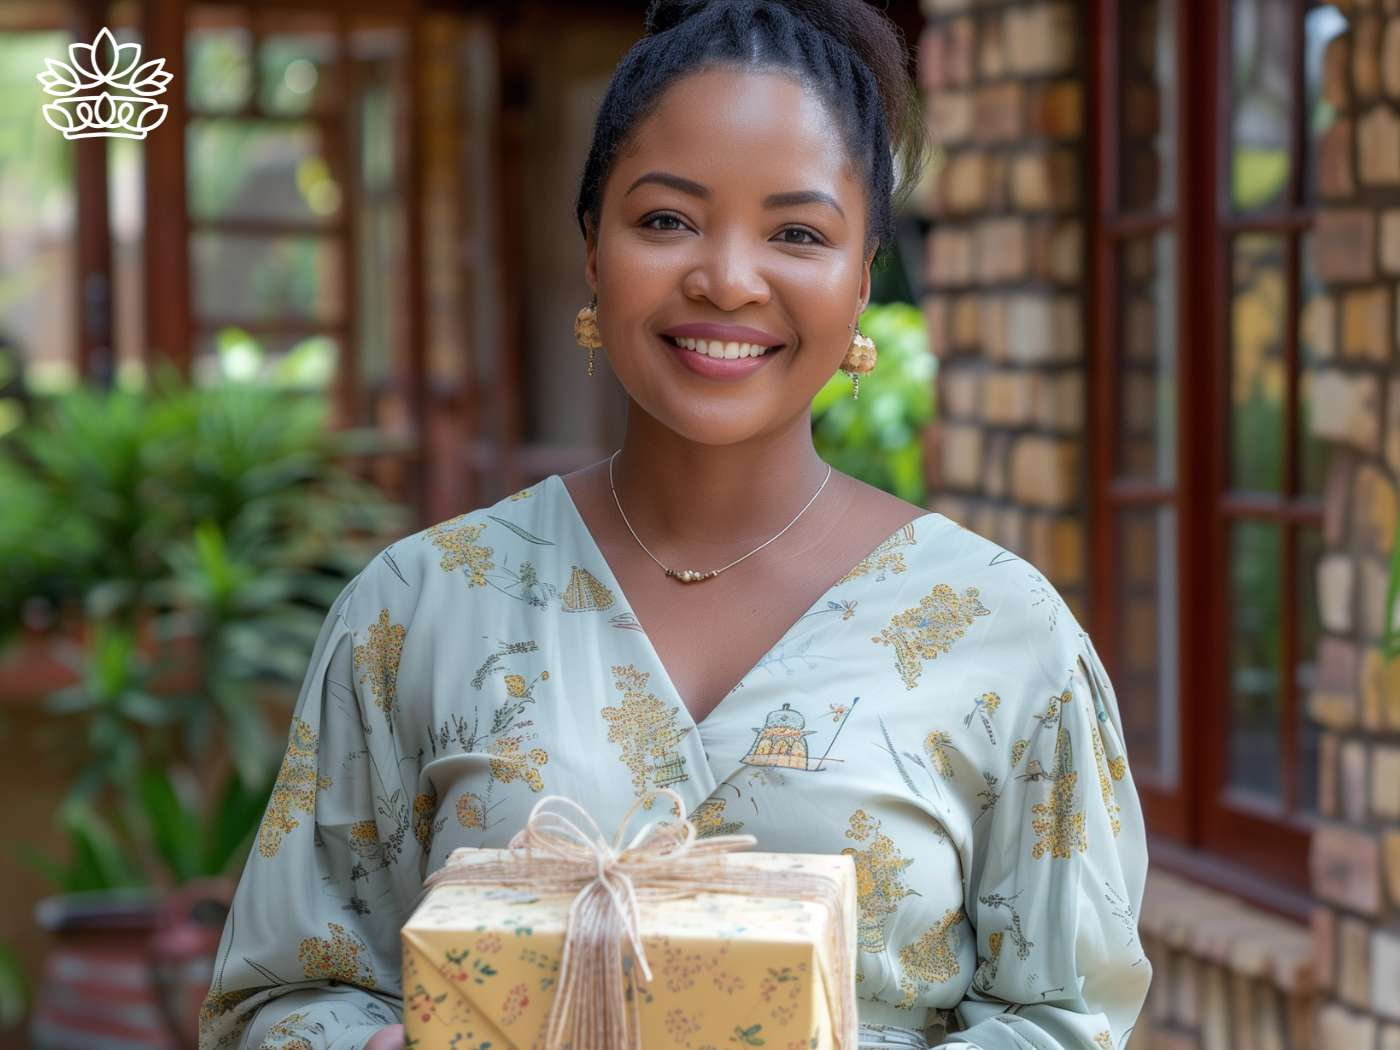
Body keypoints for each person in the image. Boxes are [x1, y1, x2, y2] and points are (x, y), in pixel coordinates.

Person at [198, 1, 1153, 1048]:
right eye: (666, 220)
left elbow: (1065, 1019)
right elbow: (283, 996)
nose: (727, 279)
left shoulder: (998, 633)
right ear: (593, 254)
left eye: (796, 233)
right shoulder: (419, 610)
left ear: (862, 277)